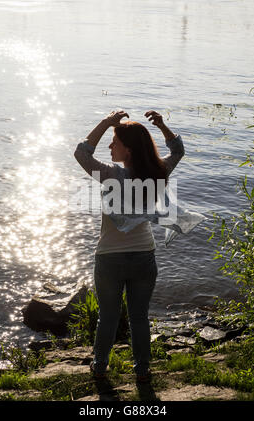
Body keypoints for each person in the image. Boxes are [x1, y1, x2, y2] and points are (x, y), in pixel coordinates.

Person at [74, 110, 185, 383]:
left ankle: (100, 367)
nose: (111, 146)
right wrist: (161, 126)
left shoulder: (111, 174)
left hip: (110, 258)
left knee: (108, 318)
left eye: (115, 142)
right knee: (139, 317)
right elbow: (178, 150)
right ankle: (143, 369)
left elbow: (81, 153)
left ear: (129, 149)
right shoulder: (158, 173)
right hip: (143, 256)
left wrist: (105, 122)